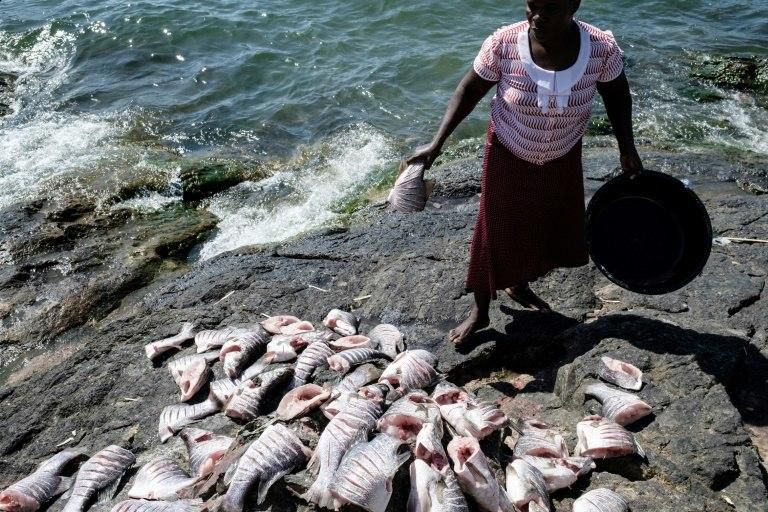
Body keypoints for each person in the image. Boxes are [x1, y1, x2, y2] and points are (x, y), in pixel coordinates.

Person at [407, 0, 643, 345]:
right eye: (532, 6)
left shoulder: (601, 49)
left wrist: (627, 148)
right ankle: (480, 310)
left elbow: (617, 96)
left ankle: (518, 283)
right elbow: (468, 91)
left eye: (551, 10)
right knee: (494, 228)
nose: (537, 17)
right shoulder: (504, 44)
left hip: (563, 150)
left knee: (542, 223)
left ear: (574, 5)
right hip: (509, 147)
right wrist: (436, 143)